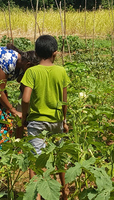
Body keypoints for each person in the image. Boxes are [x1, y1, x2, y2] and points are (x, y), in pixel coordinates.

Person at [21, 35, 70, 200]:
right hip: (56, 121)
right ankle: (64, 191)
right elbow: (64, 101)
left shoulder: (32, 72)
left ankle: (37, 196)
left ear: (35, 53)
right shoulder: (61, 71)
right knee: (59, 156)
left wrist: (24, 119)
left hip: (37, 123)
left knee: (36, 160)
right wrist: (64, 120)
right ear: (55, 53)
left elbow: (26, 99)